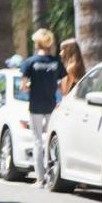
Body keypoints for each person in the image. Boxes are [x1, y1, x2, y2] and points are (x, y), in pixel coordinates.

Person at [20, 29, 66, 188]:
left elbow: (24, 87)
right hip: (52, 105)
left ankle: (40, 179)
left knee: (37, 141)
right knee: (51, 141)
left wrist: (33, 86)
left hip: (36, 106)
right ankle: (51, 175)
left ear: (37, 43)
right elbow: (62, 86)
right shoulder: (56, 62)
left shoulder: (30, 62)